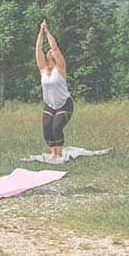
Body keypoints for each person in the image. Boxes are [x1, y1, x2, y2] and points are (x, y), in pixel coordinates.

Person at [35, 20, 74, 160]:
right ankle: (53, 152)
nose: (50, 51)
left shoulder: (60, 68)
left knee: (56, 127)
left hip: (65, 103)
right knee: (47, 127)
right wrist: (40, 32)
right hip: (50, 104)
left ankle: (59, 153)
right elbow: (38, 49)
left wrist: (47, 32)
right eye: (48, 51)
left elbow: (55, 48)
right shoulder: (43, 70)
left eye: (51, 51)